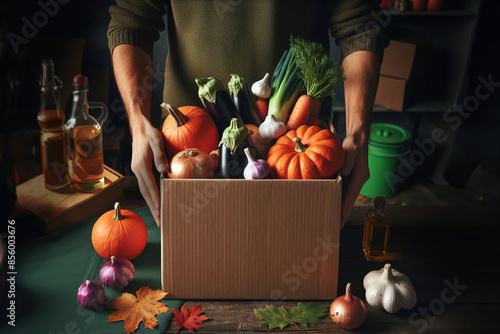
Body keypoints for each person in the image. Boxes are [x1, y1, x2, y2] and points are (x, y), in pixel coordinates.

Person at [107, 0, 388, 227]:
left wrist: (358, 130)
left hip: (298, 134)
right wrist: (137, 120)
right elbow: (132, 20)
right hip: (185, 145)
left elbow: (359, 26)